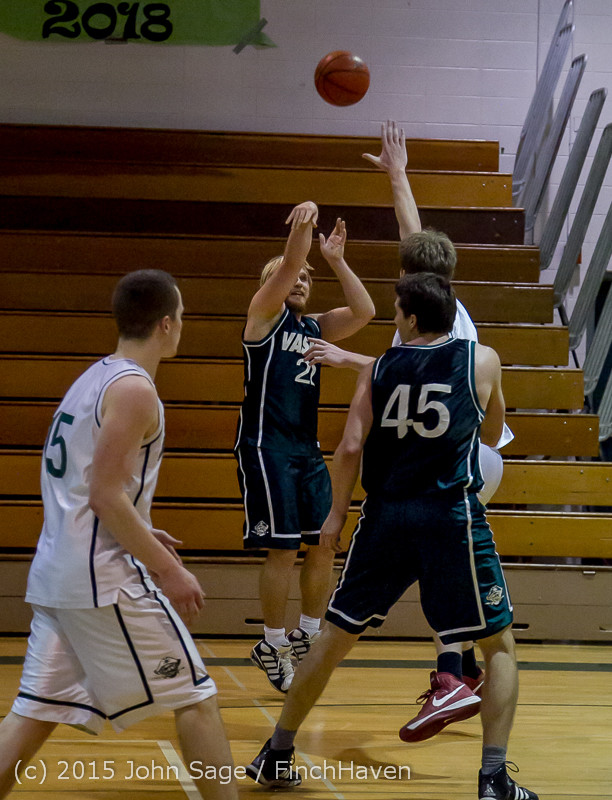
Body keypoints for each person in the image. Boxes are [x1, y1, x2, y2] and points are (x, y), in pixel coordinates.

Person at [246, 272, 538, 800]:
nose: (393, 318)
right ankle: (493, 778)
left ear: (410, 318)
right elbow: (493, 437)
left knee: (334, 637)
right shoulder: (482, 359)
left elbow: (350, 447)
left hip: (384, 517)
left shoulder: (380, 368)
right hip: (449, 515)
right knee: (499, 645)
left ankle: (278, 750)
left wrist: (335, 516)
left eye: (397, 311)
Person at [303, 120, 514, 740]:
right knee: (436, 560)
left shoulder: (444, 331)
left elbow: (427, 383)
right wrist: (398, 177)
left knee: (433, 548)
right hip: (464, 449)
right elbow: (415, 241)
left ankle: (455, 675)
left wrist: (349, 361)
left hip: (471, 455)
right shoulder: (434, 301)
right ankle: (454, 669)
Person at [0, 270, 238, 800]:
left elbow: (80, 483)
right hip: (101, 581)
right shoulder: (134, 389)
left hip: (59, 573)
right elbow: (104, 496)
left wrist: (142, 527)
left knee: (32, 714)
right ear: (168, 323)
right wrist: (167, 567)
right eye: (184, 317)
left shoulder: (94, 378)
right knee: (195, 697)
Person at [235, 201, 375, 694]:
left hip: (305, 450)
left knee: (323, 544)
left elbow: (365, 312)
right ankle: (271, 643)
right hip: (265, 446)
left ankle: (307, 636)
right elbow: (291, 263)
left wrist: (336, 260)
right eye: (288, 278)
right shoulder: (262, 320)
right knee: (282, 550)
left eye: (305, 281)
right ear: (269, 286)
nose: (298, 282)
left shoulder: (315, 327)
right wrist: (304, 223)